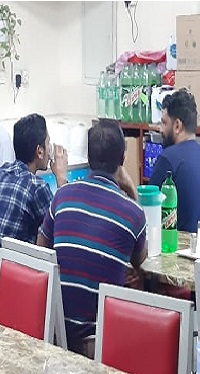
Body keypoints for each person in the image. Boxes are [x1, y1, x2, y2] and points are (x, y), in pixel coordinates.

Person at [38, 120, 147, 356]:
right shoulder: (133, 212)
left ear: (89, 157)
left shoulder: (62, 196)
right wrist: (131, 190)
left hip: (54, 330)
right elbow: (141, 260)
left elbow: (41, 250)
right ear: (122, 159)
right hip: (99, 340)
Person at [0, 113, 67, 255]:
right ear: (40, 151)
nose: (49, 148)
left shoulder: (2, 172)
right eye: (47, 142)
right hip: (11, 267)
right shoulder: (37, 187)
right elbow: (63, 229)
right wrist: (61, 178)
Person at [148, 89, 200, 232]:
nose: (160, 129)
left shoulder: (168, 159)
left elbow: (148, 210)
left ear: (177, 126)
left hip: (177, 242)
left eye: (164, 123)